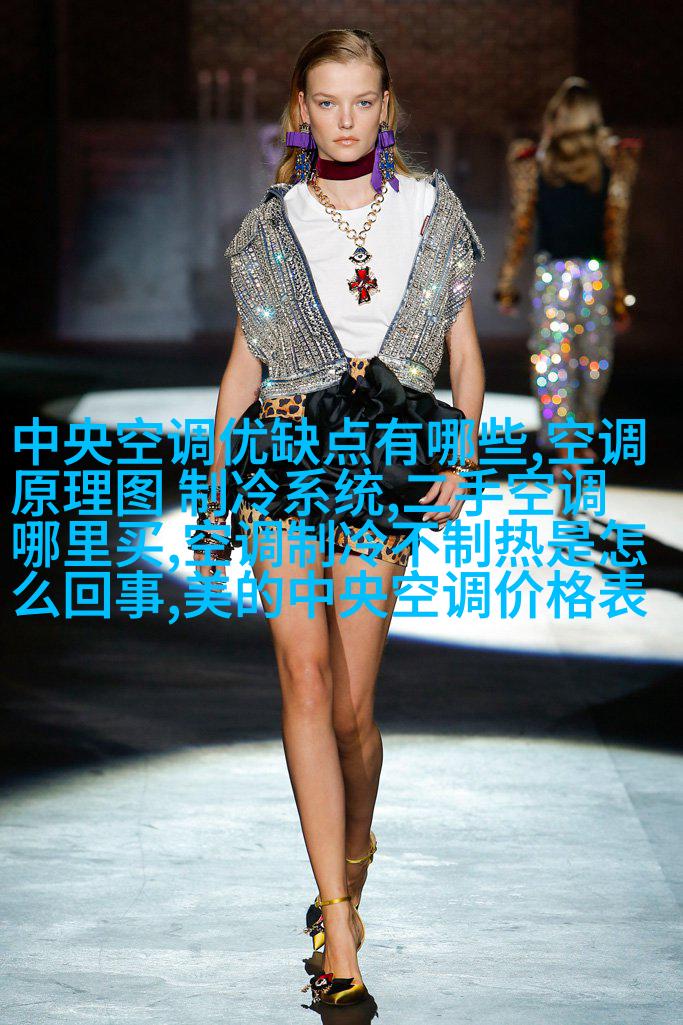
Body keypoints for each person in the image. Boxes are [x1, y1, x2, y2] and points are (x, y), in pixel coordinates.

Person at [190, 29, 486, 1007]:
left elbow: (461, 349)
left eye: (362, 100)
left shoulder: (429, 211)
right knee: (304, 675)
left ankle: (351, 869)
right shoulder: (271, 225)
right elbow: (245, 362)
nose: (346, 119)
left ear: (385, 107)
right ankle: (337, 926)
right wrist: (217, 475)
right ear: (300, 111)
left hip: (377, 466)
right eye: (327, 101)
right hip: (280, 457)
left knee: (353, 707)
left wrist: (462, 449)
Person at [494, 77, 641, 507]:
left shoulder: (601, 160)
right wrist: (618, 294)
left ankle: (568, 448)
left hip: (561, 276)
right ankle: (572, 447)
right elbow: (614, 233)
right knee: (584, 363)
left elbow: (523, 228)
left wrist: (508, 285)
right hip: (586, 276)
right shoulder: (544, 161)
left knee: (561, 363)